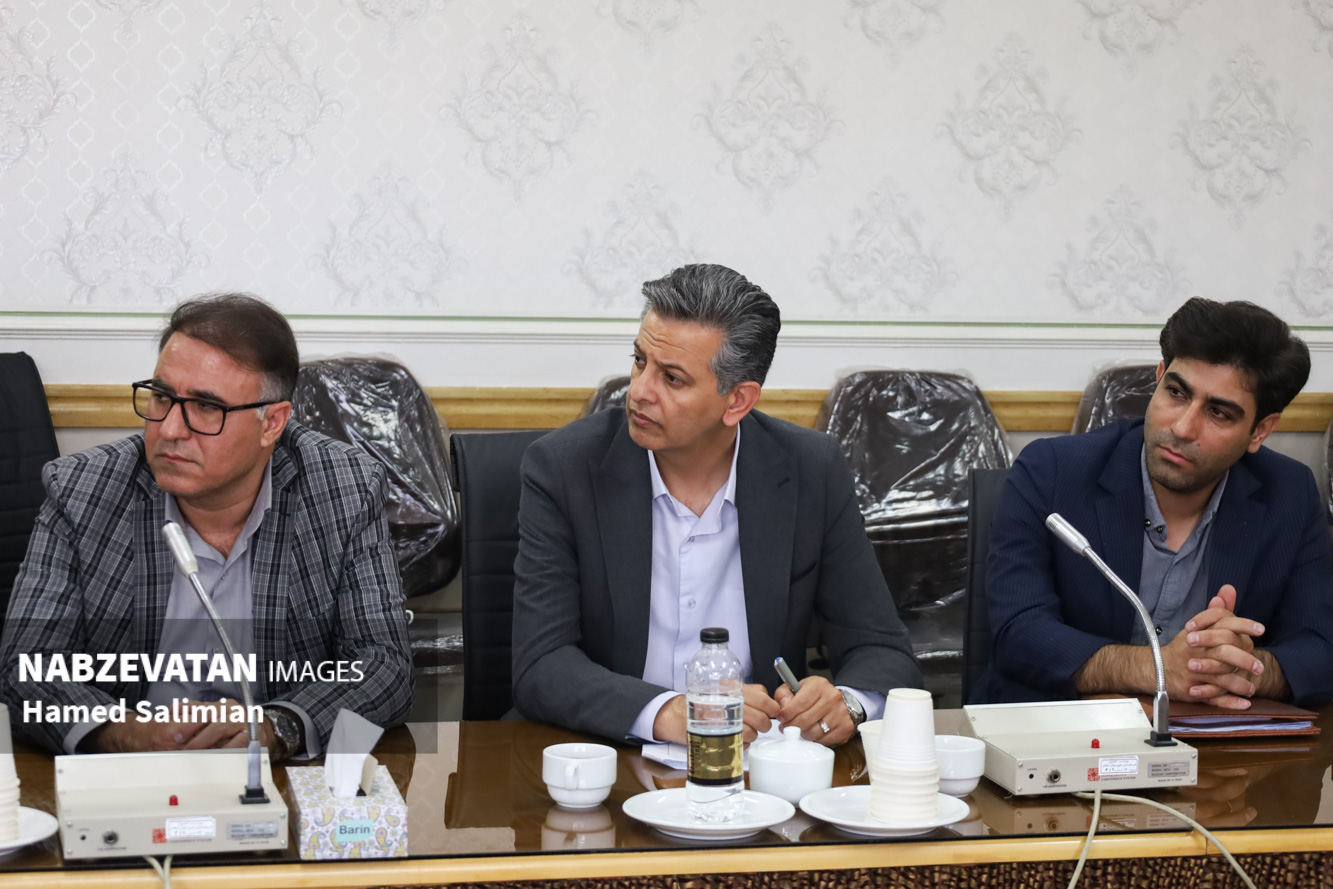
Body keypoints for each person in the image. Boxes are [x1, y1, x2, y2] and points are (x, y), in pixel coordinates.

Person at [511, 264, 921, 748]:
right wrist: (667, 712)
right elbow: (542, 663)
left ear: (737, 401)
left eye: (672, 378)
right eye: (640, 361)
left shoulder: (810, 470)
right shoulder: (563, 468)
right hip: (607, 753)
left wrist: (845, 704)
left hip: (758, 760)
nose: (639, 391)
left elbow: (882, 649)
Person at [0, 293, 412, 758]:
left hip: (272, 776)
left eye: (206, 407)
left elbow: (384, 667)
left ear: (272, 423)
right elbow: (24, 669)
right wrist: (129, 733)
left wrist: (276, 727)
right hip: (129, 772)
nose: (170, 429)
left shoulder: (344, 488)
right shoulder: (84, 490)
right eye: (162, 397)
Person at [975, 298, 1333, 709]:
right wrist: (1159, 668)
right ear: (1159, 377)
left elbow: (1321, 649)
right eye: (1176, 393)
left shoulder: (1289, 492)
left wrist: (1242, 668)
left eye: (1218, 413)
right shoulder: (1051, 471)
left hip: (1213, 736)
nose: (1182, 427)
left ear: (1260, 431)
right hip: (1063, 728)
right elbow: (1019, 633)